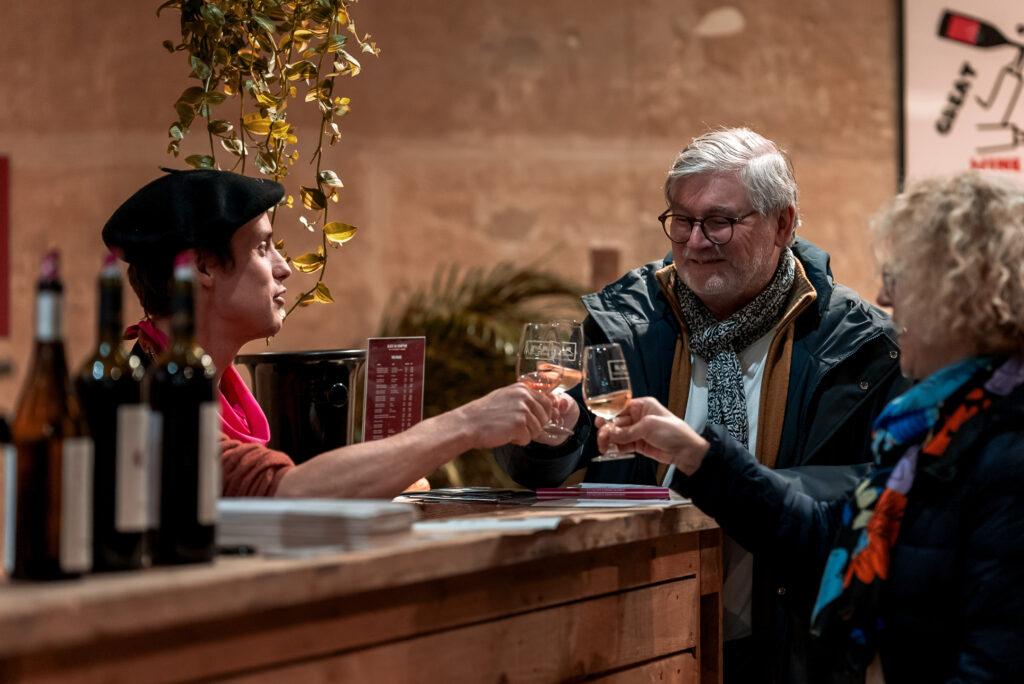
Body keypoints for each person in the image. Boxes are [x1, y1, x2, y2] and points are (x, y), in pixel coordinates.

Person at [495, 127, 908, 684]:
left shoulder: (860, 345)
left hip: (789, 643)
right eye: (681, 221)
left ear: (783, 224)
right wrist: (551, 436)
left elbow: (867, 503)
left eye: (719, 222)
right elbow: (550, 452)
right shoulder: (626, 322)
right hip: (644, 638)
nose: (694, 242)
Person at [595, 170, 1024, 682]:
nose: (886, 297)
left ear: (968, 299)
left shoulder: (1007, 448)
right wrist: (696, 455)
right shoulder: (934, 426)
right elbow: (828, 536)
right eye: (684, 221)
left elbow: (997, 659)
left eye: (904, 278)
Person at [102, 168, 556, 499]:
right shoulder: (145, 399)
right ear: (203, 267)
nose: (283, 268)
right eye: (262, 247)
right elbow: (287, 492)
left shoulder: (217, 391)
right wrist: (468, 424)